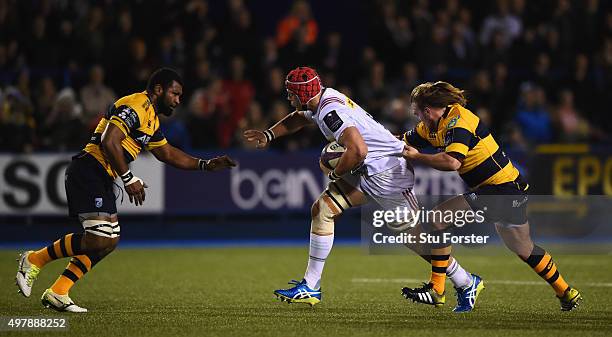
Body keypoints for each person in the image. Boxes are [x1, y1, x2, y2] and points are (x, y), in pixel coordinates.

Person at [244, 67, 483, 312]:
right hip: (370, 172)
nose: (288, 98)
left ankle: (465, 281)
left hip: (389, 175)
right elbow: (300, 117)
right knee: (323, 209)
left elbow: (358, 150)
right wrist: (269, 134)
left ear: (303, 94)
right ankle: (310, 285)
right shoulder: (323, 99)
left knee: (416, 240)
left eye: (291, 93)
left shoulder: (329, 112)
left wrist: (336, 173)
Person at [15, 68, 236, 312]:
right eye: (175, 93)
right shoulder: (137, 105)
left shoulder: (151, 117)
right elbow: (109, 140)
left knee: (109, 242)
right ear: (159, 90)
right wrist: (129, 178)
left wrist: (204, 165)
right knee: (98, 239)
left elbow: (167, 153)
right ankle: (34, 259)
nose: (178, 100)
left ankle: (58, 292)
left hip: (102, 175)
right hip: (89, 169)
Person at [399, 81, 582, 311]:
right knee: (524, 248)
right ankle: (566, 291)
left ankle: (437, 289)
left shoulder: (459, 121)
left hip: (502, 189)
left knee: (438, 217)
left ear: (427, 110)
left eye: (417, 113)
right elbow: (401, 141)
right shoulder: (430, 127)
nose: (417, 118)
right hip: (507, 188)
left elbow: (452, 161)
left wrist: (418, 157)